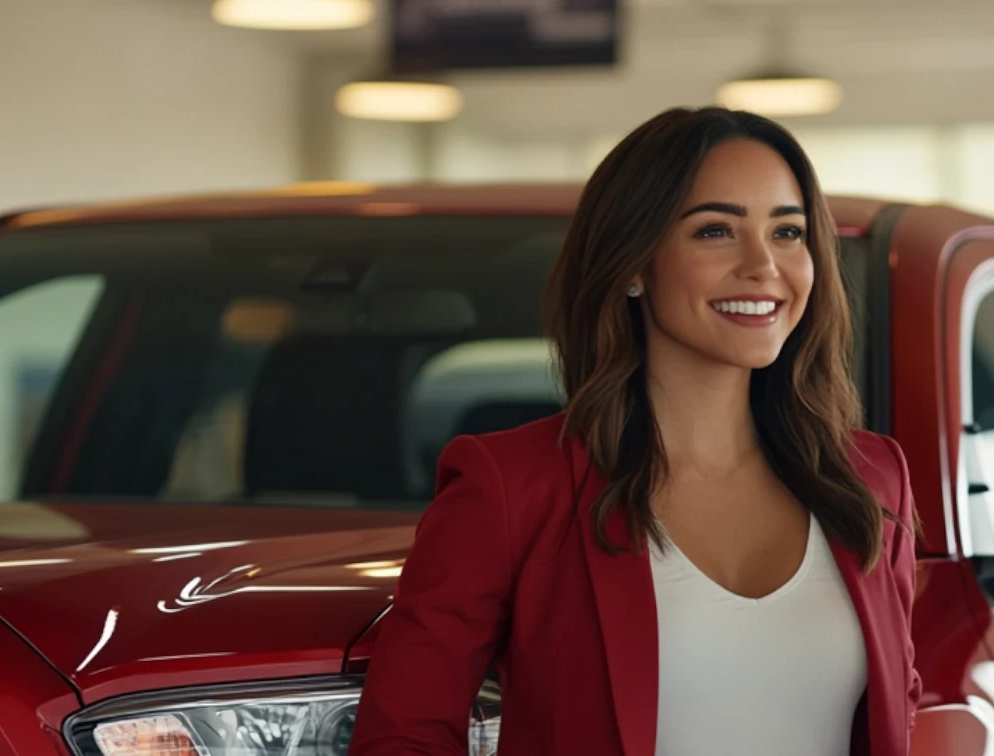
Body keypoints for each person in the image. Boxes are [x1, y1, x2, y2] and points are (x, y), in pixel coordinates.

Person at [350, 106, 921, 756]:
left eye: (788, 233)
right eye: (715, 231)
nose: (764, 265)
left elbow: (897, 712)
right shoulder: (511, 488)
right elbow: (402, 736)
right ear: (632, 264)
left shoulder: (872, 481)